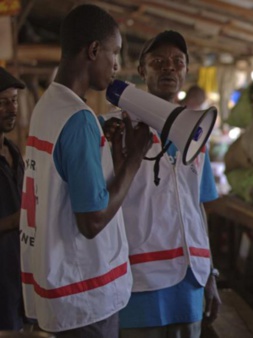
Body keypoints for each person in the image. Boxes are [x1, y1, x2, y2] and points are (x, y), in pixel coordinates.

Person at [19, 4, 152, 336]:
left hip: (57, 288)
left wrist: (110, 159)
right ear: (94, 50)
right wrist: (134, 160)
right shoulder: (79, 119)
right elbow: (91, 221)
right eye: (114, 53)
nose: (117, 64)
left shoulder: (48, 106)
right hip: (85, 298)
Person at [102, 30, 221, 337]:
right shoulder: (115, 129)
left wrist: (210, 274)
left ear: (186, 70)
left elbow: (198, 209)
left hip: (191, 282)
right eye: (158, 61)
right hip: (140, 281)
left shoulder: (197, 132)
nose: (169, 67)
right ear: (142, 71)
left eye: (177, 61)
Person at [0, 67, 26, 330]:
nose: (12, 108)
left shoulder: (14, 152)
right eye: (3, 102)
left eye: (14, 100)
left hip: (20, 276)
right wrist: (18, 220)